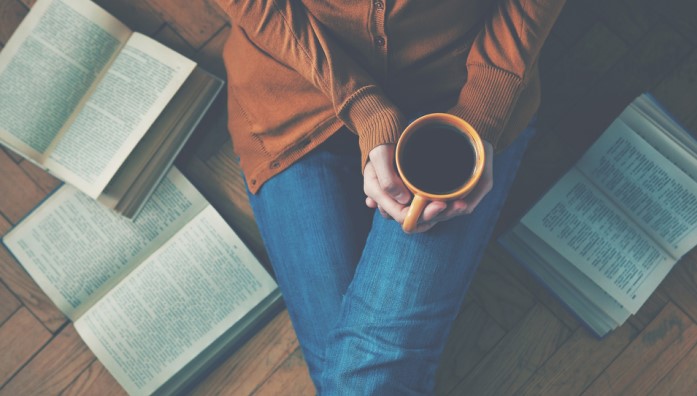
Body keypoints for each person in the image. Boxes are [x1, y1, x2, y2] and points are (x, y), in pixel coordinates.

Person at [214, 0, 565, 393]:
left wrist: (481, 115)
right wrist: (365, 108)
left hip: (455, 96)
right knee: (363, 376)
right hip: (294, 87)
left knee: (360, 377)